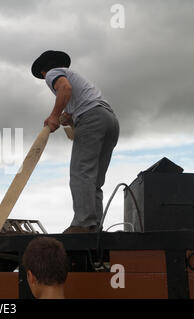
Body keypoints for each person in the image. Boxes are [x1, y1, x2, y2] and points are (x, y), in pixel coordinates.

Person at [31, 50, 120, 233]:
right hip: (109, 120)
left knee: (81, 173)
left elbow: (65, 89)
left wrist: (54, 116)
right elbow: (72, 113)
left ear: (43, 72)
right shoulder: (80, 85)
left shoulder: (53, 74)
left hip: (92, 117)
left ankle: (83, 223)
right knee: (94, 179)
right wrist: (65, 119)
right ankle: (94, 228)